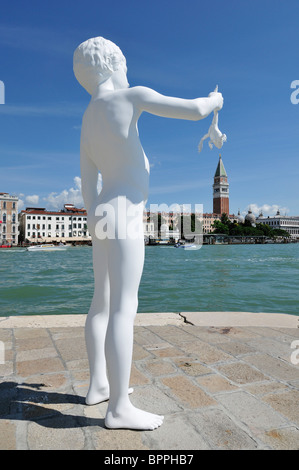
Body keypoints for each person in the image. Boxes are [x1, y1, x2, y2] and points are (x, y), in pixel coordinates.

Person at [73, 36, 223, 430]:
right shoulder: (130, 96)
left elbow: (88, 184)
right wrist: (215, 102)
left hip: (102, 209)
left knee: (100, 303)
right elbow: (192, 111)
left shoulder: (88, 118)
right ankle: (119, 408)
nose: (127, 72)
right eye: (123, 64)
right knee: (125, 306)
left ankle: (99, 386)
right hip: (125, 209)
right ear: (109, 66)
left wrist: (92, 219)